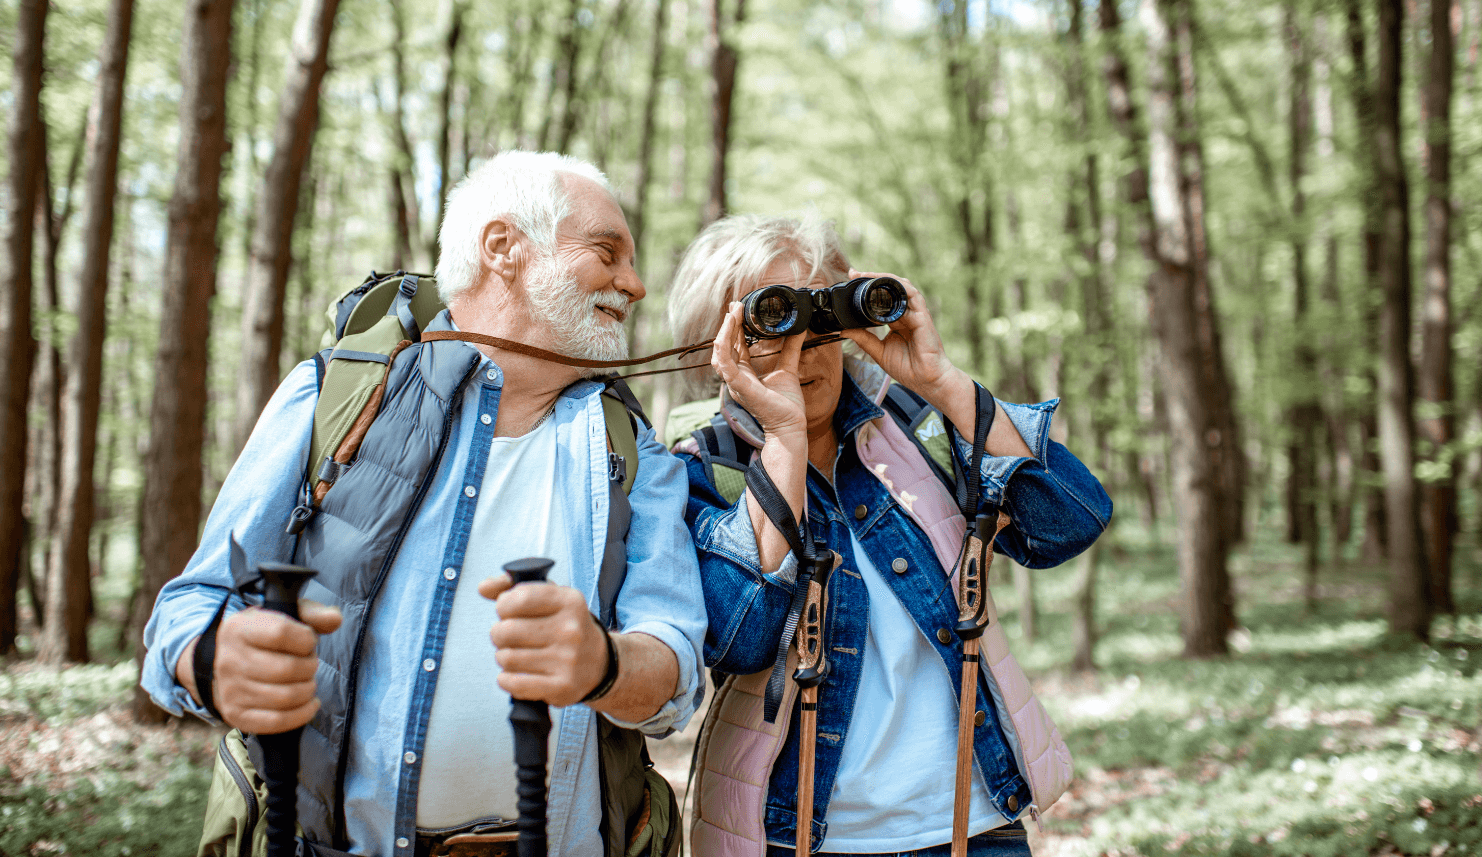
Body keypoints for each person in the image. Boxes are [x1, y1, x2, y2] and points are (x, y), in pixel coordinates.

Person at [142, 151, 706, 857]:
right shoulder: (333, 398)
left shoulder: (635, 451)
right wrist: (216, 660)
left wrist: (603, 664)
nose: (636, 284)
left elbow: (676, 673)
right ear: (503, 248)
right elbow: (186, 612)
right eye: (607, 252)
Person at [665, 215, 1111, 857]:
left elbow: (1067, 525)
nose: (804, 348)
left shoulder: (916, 428)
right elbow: (740, 637)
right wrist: (784, 441)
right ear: (718, 346)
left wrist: (941, 381)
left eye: (820, 318)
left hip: (974, 826)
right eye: (774, 320)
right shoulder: (705, 469)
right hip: (803, 838)